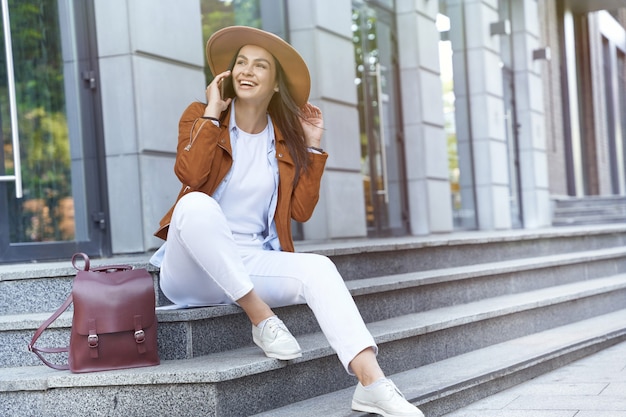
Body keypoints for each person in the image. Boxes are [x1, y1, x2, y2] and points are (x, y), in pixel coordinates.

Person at [150, 26, 425, 417]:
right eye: (241, 62)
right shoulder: (200, 116)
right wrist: (212, 111)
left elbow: (300, 212)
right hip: (191, 270)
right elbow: (191, 176)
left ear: (276, 84)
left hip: (251, 260)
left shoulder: (284, 140)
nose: (247, 70)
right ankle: (262, 319)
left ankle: (373, 385)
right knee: (194, 205)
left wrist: (311, 146)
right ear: (228, 74)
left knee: (320, 268)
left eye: (260, 65)